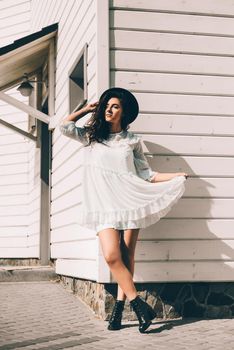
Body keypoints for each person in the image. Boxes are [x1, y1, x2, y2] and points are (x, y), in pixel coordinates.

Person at [60, 87, 187, 333]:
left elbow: (147, 174)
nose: (109, 109)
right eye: (106, 105)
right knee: (111, 256)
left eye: (115, 106)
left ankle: (118, 311)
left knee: (127, 255)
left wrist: (176, 175)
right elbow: (65, 127)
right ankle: (139, 304)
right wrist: (86, 109)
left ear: (123, 111)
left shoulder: (132, 141)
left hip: (129, 202)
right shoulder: (91, 136)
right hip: (103, 206)